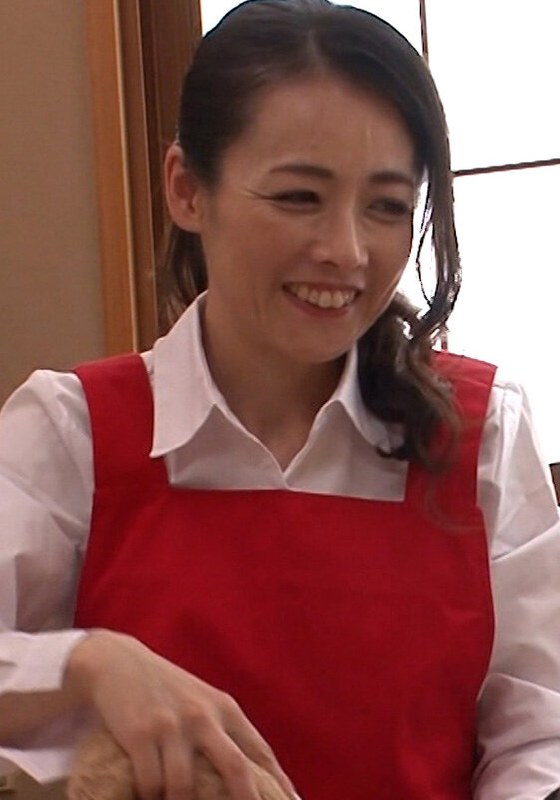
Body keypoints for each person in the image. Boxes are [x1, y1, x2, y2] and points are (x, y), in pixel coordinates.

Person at [0, 0, 559, 798]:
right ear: (187, 190)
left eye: (387, 206)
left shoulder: (482, 431)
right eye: (300, 197)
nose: (346, 251)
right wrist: (90, 662)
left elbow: (542, 736)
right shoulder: (73, 433)